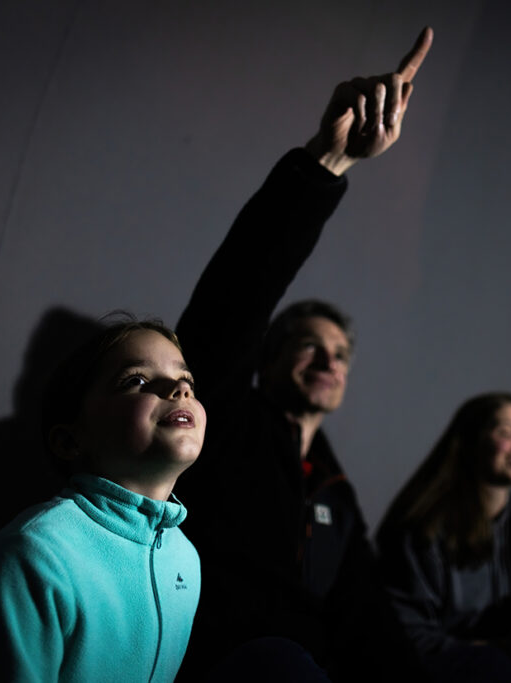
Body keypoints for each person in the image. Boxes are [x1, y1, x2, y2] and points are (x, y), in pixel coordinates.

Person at [172, 27, 434, 683]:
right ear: (267, 354)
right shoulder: (220, 419)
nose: (329, 359)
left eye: (340, 351)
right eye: (309, 344)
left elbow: (367, 621)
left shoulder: (334, 487)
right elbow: (236, 297)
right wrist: (328, 161)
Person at [0, 318, 205, 682]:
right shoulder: (37, 554)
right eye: (137, 381)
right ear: (70, 441)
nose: (180, 389)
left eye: (188, 382)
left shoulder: (186, 558)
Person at [375, 391, 511, 682]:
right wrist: (498, 650)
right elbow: (408, 639)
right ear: (471, 441)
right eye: (507, 433)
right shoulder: (422, 529)